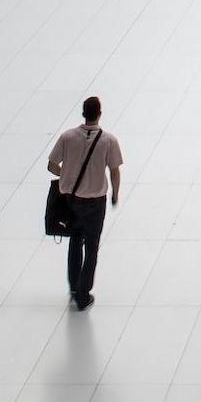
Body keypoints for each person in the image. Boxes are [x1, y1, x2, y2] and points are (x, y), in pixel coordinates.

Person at [48, 97, 123, 310]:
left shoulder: (67, 137)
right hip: (95, 203)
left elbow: (52, 165)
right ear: (99, 114)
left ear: (83, 113)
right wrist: (115, 194)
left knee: (75, 240)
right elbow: (115, 171)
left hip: (70, 199)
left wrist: (66, 176)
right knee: (91, 247)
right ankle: (83, 294)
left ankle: (74, 287)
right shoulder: (109, 140)